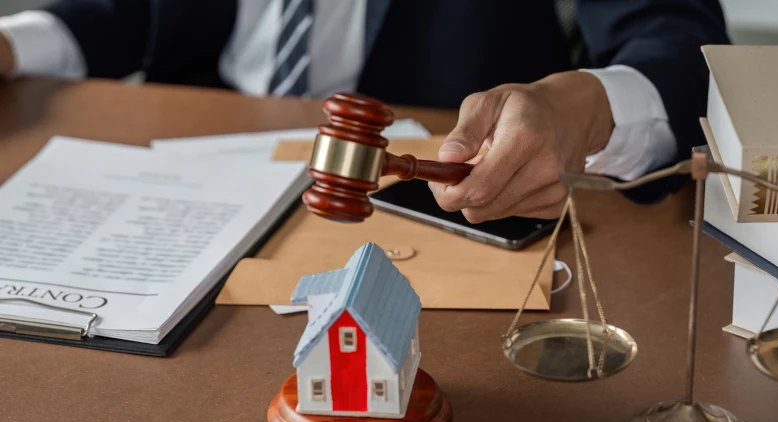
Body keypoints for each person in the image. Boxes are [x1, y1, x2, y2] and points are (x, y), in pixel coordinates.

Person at [0, 0, 729, 222]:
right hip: (203, 166)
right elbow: (127, 15)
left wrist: (590, 102)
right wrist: (12, 43)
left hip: (451, 200)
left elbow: (674, 39)